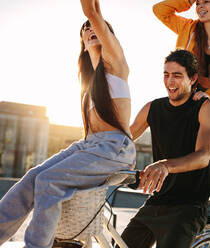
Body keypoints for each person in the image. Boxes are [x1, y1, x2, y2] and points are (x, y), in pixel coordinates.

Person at [0, 0, 136, 247]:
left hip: (114, 149)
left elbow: (92, 12)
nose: (90, 28)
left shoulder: (116, 66)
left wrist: (93, 17)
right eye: (85, 30)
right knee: (33, 177)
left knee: (47, 181)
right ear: (82, 45)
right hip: (89, 146)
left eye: (96, 27)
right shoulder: (87, 88)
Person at [153, 0, 210, 227]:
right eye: (198, 2)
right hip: (198, 99)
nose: (200, 6)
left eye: (206, 1)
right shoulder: (189, 28)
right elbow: (160, 10)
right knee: (205, 154)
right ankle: (200, 208)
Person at [120, 49, 210, 248]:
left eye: (177, 75)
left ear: (192, 79)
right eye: (166, 75)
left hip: (189, 206)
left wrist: (165, 165)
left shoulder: (206, 108)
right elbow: (123, 140)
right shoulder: (152, 108)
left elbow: (203, 156)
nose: (170, 81)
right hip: (158, 201)